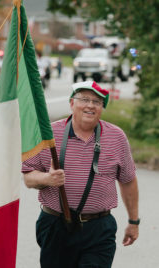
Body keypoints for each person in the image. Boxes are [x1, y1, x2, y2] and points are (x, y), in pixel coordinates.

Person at [22, 81, 139, 268]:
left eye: (97, 102)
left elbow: (128, 181)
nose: (90, 105)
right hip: (56, 224)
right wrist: (47, 179)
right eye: (84, 99)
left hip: (99, 228)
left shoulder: (116, 137)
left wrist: (134, 221)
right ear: (71, 103)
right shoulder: (48, 134)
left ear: (102, 108)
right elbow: (28, 177)